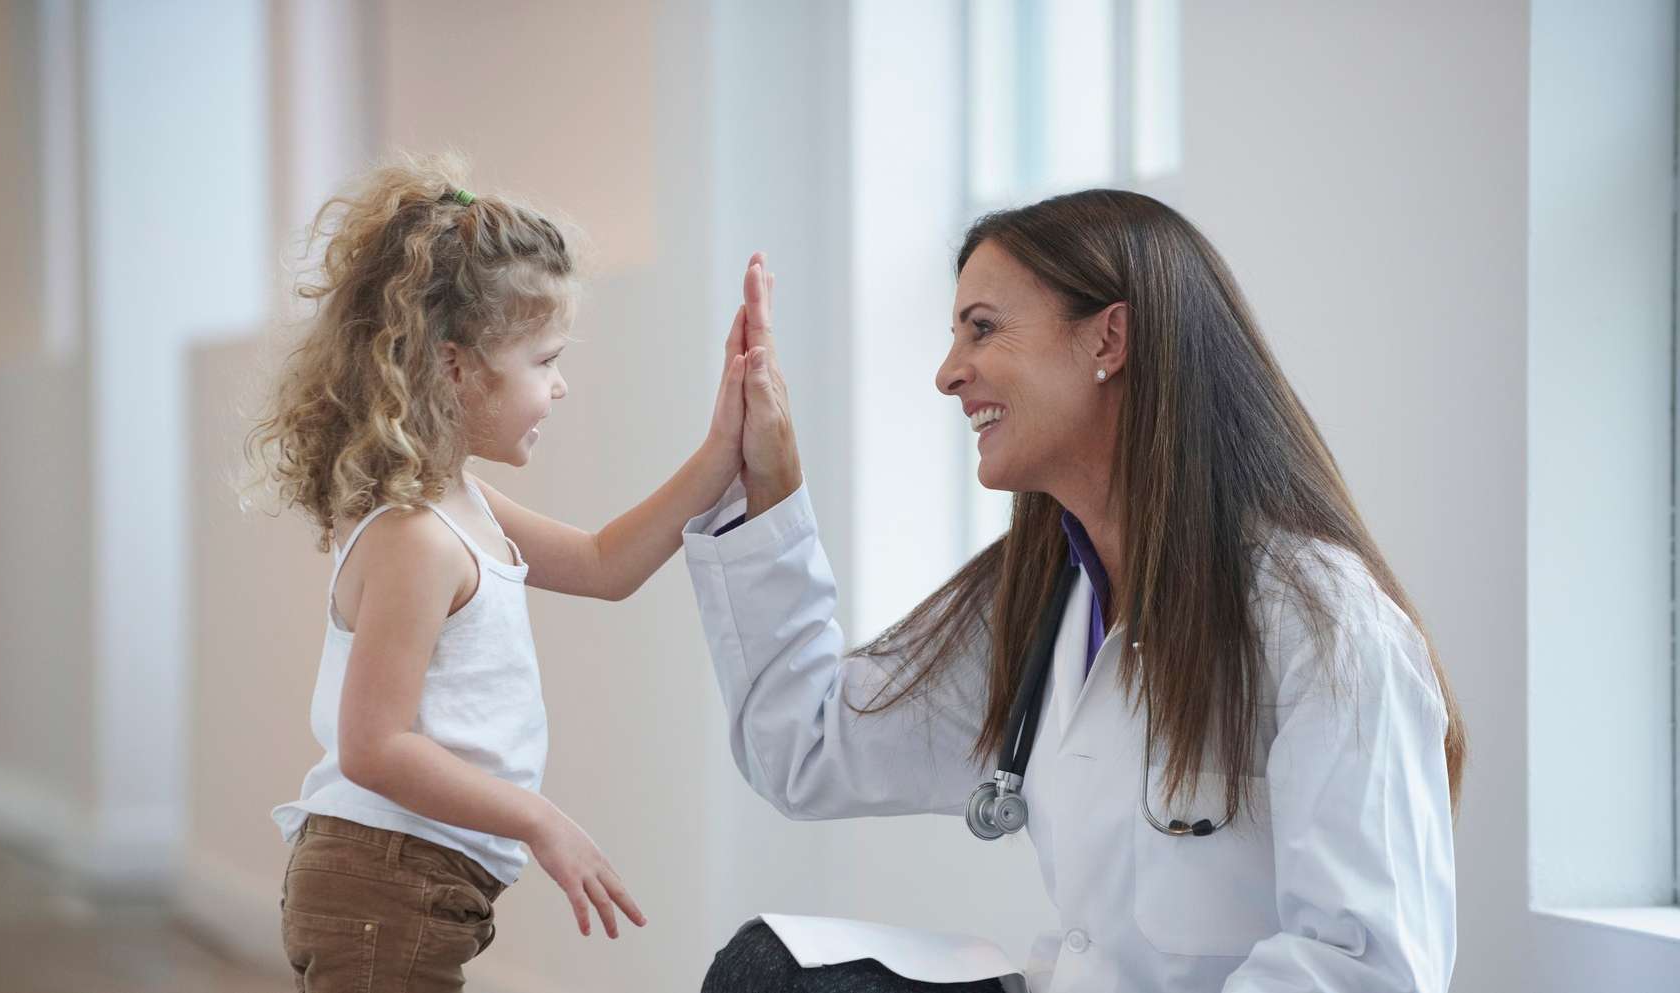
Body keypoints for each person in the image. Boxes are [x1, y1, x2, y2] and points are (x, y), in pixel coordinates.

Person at [685, 189, 1464, 993]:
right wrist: (769, 485)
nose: (948, 373)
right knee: (771, 974)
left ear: (1109, 337)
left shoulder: (1322, 622)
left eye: (981, 328)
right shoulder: (1038, 599)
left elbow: (1366, 969)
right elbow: (806, 748)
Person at [250, 153, 759, 992]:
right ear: (454, 366)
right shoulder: (416, 536)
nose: (559, 388)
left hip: (411, 878)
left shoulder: (459, 504)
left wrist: (720, 451)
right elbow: (373, 746)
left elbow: (604, 564)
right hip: (383, 878)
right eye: (544, 360)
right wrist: (538, 819)